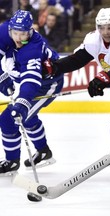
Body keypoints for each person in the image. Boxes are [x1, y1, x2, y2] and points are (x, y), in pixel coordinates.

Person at [43, 7, 110, 167]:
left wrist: (105, 78)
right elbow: (77, 59)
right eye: (101, 27)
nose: (105, 32)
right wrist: (55, 67)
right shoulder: (93, 39)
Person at [0, 10, 64, 175]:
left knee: (8, 120)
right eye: (15, 33)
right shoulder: (4, 31)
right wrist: (1, 76)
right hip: (32, 81)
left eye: (23, 34)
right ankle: (44, 152)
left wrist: (22, 102)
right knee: (27, 118)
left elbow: (31, 81)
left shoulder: (33, 48)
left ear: (31, 31)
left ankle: (12, 161)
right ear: (10, 30)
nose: (19, 38)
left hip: (47, 84)